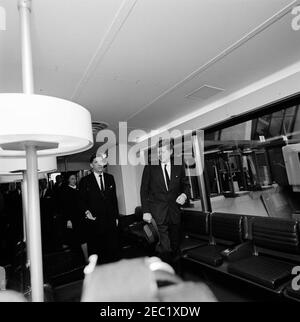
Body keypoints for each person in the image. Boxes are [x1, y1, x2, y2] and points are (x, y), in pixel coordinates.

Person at [140, 139, 190, 267]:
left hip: (174, 213)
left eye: (163, 151)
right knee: (165, 247)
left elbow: (186, 185)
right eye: (159, 152)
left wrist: (184, 195)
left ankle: (177, 274)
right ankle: (167, 276)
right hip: (158, 213)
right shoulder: (150, 168)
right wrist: (145, 211)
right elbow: (144, 191)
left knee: (175, 246)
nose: (160, 154)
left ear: (171, 151)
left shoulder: (178, 166)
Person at [79, 154, 119, 264]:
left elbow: (114, 199)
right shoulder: (85, 181)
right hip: (95, 221)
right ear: (91, 165)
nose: (100, 164)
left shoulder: (110, 178)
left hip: (110, 220)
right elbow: (81, 201)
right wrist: (87, 212)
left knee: (112, 248)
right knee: (98, 249)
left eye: (102, 161)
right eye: (97, 162)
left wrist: (116, 217)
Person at [61, 173, 88, 261]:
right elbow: (65, 207)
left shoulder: (78, 189)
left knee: (82, 238)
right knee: (78, 240)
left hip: (81, 218)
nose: (74, 180)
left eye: (75, 178)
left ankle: (85, 258)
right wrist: (68, 220)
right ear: (68, 180)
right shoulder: (66, 191)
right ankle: (82, 259)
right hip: (73, 219)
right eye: (72, 179)